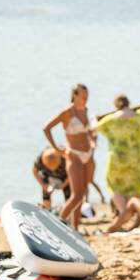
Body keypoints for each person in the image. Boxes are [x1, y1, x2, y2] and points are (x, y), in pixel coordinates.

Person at [43, 84, 96, 229]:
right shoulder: (68, 112)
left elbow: (88, 133)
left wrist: (92, 141)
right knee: (77, 195)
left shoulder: (85, 111)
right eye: (83, 96)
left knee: (83, 193)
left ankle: (75, 228)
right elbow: (46, 128)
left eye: (87, 96)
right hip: (74, 155)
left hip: (88, 155)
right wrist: (56, 148)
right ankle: (57, 226)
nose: (86, 98)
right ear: (75, 95)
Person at [95, 94, 140, 217]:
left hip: (117, 161)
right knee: (136, 187)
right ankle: (131, 212)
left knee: (114, 187)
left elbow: (93, 127)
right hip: (136, 161)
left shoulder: (110, 120)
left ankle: (123, 213)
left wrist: (95, 118)